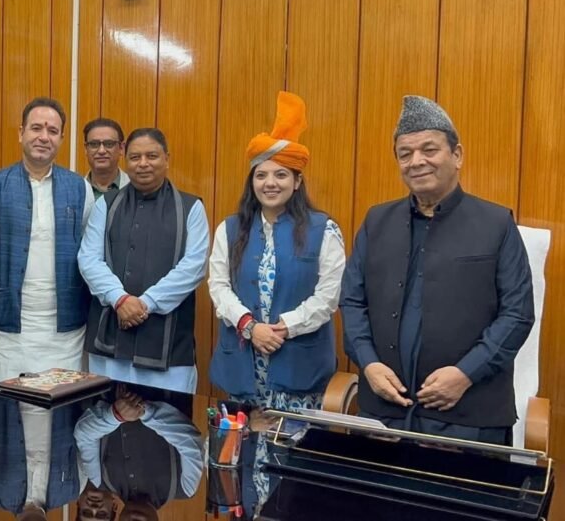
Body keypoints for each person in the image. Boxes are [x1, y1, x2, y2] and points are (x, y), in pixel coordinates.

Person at [341, 95, 535, 445]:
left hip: (469, 417)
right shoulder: (376, 221)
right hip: (383, 412)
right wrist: (368, 363)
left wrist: (464, 374)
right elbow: (352, 302)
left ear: (456, 155)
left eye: (429, 149)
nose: (417, 162)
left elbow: (517, 314)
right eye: (405, 153)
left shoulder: (496, 223)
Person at [207, 91, 344, 503]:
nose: (270, 183)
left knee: (294, 473)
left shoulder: (324, 229)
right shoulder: (230, 229)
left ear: (298, 181)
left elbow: (329, 295)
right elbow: (218, 286)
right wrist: (250, 326)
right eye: (262, 175)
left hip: (299, 372)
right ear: (251, 181)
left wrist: (282, 328)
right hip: (242, 371)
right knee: (236, 471)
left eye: (281, 175)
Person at [0, 97, 94, 396]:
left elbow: (90, 253)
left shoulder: (80, 187)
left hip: (64, 328)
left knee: (61, 408)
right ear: (21, 132)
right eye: (36, 128)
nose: (43, 136)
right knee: (5, 407)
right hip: (6, 325)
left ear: (62, 138)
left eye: (52, 131)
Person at [78, 128, 209, 393]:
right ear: (126, 160)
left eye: (152, 156)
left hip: (169, 346)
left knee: (167, 426)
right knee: (107, 420)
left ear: (167, 159)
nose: (144, 163)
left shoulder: (191, 207)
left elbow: (194, 267)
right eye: (136, 157)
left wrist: (144, 304)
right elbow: (89, 259)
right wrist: (121, 300)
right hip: (110, 336)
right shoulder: (107, 204)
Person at [74, 386, 203, 515]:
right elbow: (190, 441)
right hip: (168, 380)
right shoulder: (185, 488)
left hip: (113, 377)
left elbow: (84, 434)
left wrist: (116, 415)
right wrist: (143, 411)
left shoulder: (100, 480)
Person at [82, 117, 128, 199]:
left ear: (121, 148)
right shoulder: (74, 190)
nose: (101, 151)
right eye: (94, 144)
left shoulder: (136, 189)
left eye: (109, 144)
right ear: (86, 149)